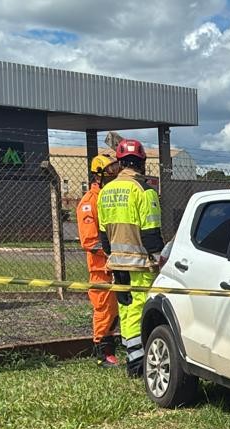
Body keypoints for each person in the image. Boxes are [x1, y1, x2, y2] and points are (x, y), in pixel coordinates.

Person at [100, 138, 163, 377]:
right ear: (142, 163)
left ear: (119, 163)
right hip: (139, 264)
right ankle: (139, 364)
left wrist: (112, 256)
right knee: (141, 309)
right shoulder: (144, 191)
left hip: (117, 263)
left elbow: (103, 233)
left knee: (126, 310)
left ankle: (133, 358)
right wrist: (158, 261)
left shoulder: (106, 191)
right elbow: (150, 232)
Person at [76, 153, 121, 367]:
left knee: (119, 311)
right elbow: (89, 241)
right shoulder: (88, 203)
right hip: (101, 269)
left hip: (117, 264)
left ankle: (113, 348)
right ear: (98, 176)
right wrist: (111, 252)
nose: (115, 175)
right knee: (104, 311)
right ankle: (103, 353)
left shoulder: (110, 198)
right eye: (110, 172)